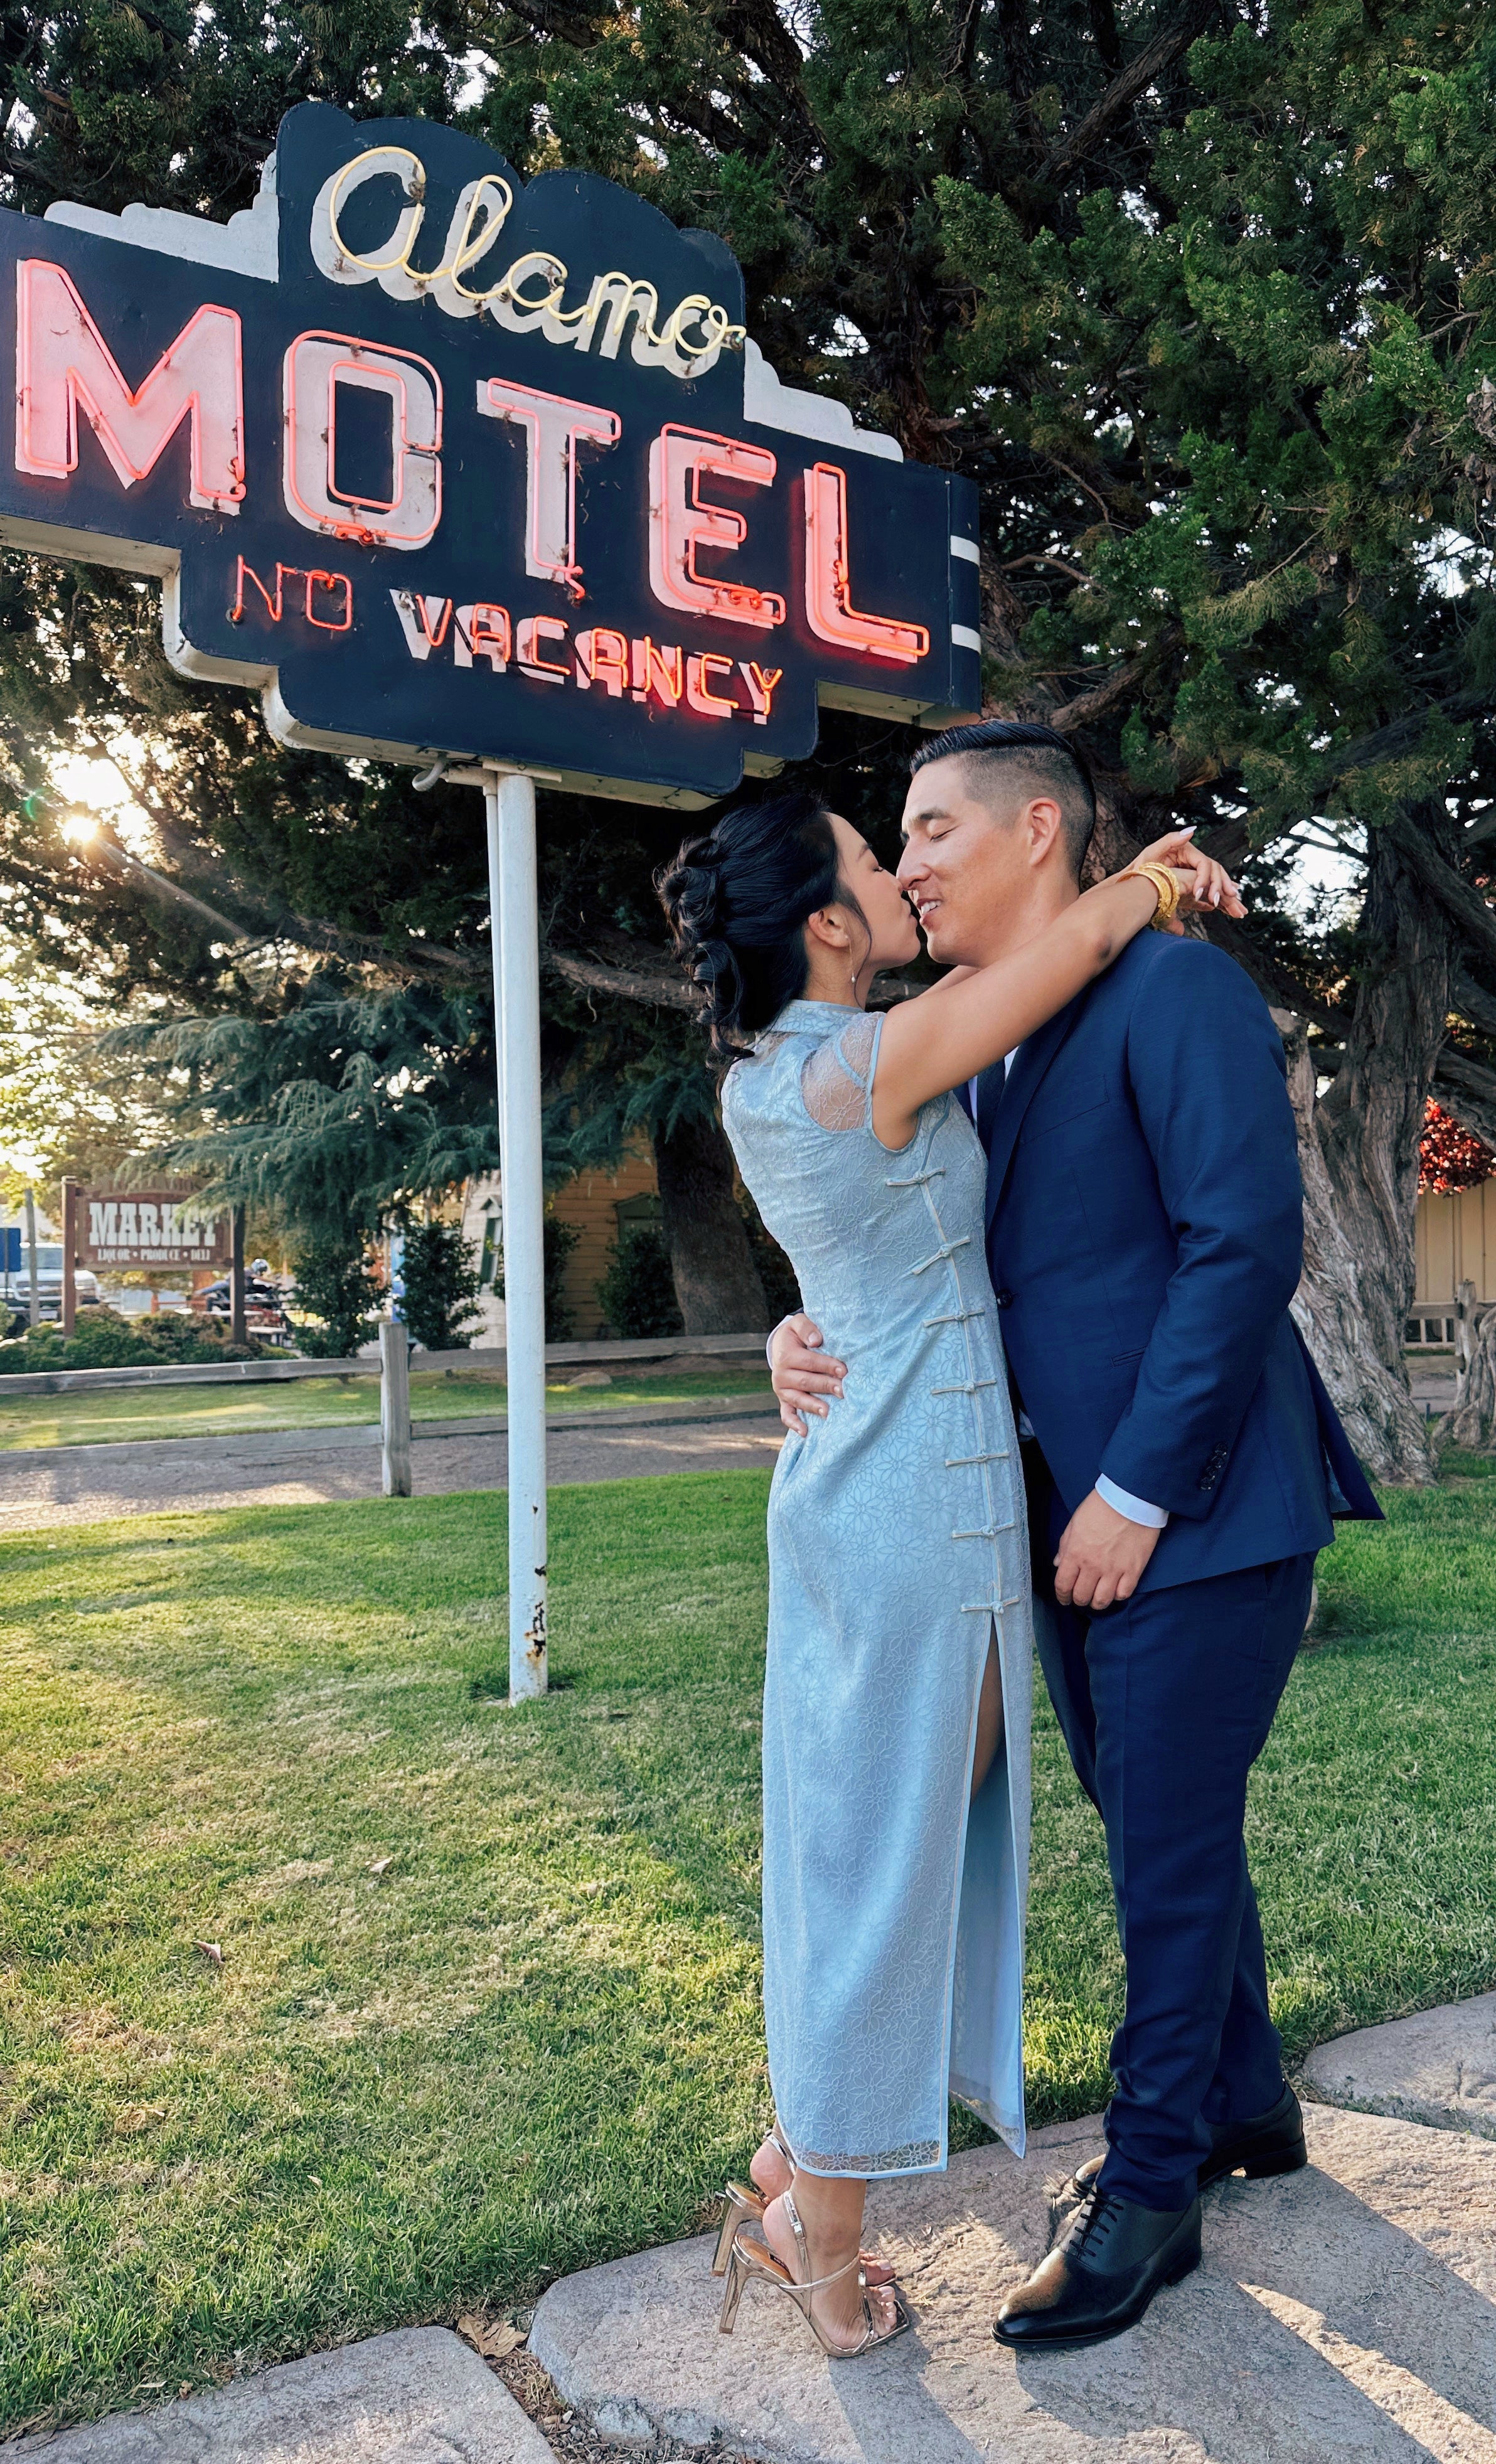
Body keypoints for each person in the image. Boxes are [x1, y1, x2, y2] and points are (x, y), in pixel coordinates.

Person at [769, 721, 1382, 2357]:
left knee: (1163, 1854)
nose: (908, 867)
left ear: (1039, 829)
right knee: (1154, 1819)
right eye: (895, 844)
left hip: (1194, 1510)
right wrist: (797, 1329)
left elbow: (1242, 1241)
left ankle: (1155, 2184)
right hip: (1047, 1521)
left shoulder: (1174, 991)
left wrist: (1137, 1491)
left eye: (931, 832)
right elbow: (907, 1241)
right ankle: (1248, 2102)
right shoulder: (995, 1039)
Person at [658, 785, 1236, 2359]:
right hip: (914, 1508)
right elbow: (1056, 957)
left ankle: (790, 2171)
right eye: (871, 855)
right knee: (889, 1872)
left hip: (888, 1491)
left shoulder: (794, 1072)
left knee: (870, 1855)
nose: (901, 871)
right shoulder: (859, 1056)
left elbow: (865, 1260)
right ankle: (822, 2253)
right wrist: (1146, 880)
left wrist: (795, 1336)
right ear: (827, 924)